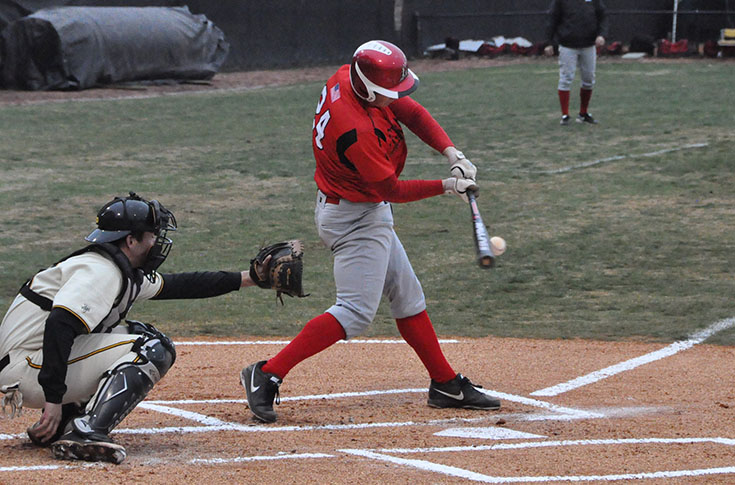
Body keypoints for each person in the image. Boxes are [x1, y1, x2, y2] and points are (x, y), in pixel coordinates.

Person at [240, 40, 501, 424]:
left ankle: (445, 383)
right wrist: (447, 187)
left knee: (407, 295)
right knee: (355, 312)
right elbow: (390, 191)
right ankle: (265, 374)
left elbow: (407, 108)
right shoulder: (354, 130)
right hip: (354, 217)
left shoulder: (350, 76)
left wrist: (451, 153)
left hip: (357, 207)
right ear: (368, 89)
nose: (394, 96)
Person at [0, 193, 270, 464]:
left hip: (28, 365)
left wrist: (251, 279)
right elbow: (59, 326)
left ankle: (66, 424)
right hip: (26, 369)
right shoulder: (100, 272)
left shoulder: (117, 269)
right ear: (131, 240)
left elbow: (182, 285)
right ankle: (86, 432)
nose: (157, 242)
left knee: (137, 334)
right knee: (150, 347)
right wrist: (53, 400)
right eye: (152, 235)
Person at [544, 0, 609, 125]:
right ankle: (565, 115)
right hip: (567, 45)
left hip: (588, 45)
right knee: (566, 78)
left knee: (589, 79)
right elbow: (552, 19)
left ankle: (583, 113)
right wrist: (549, 42)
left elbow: (602, 16)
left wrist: (602, 34)